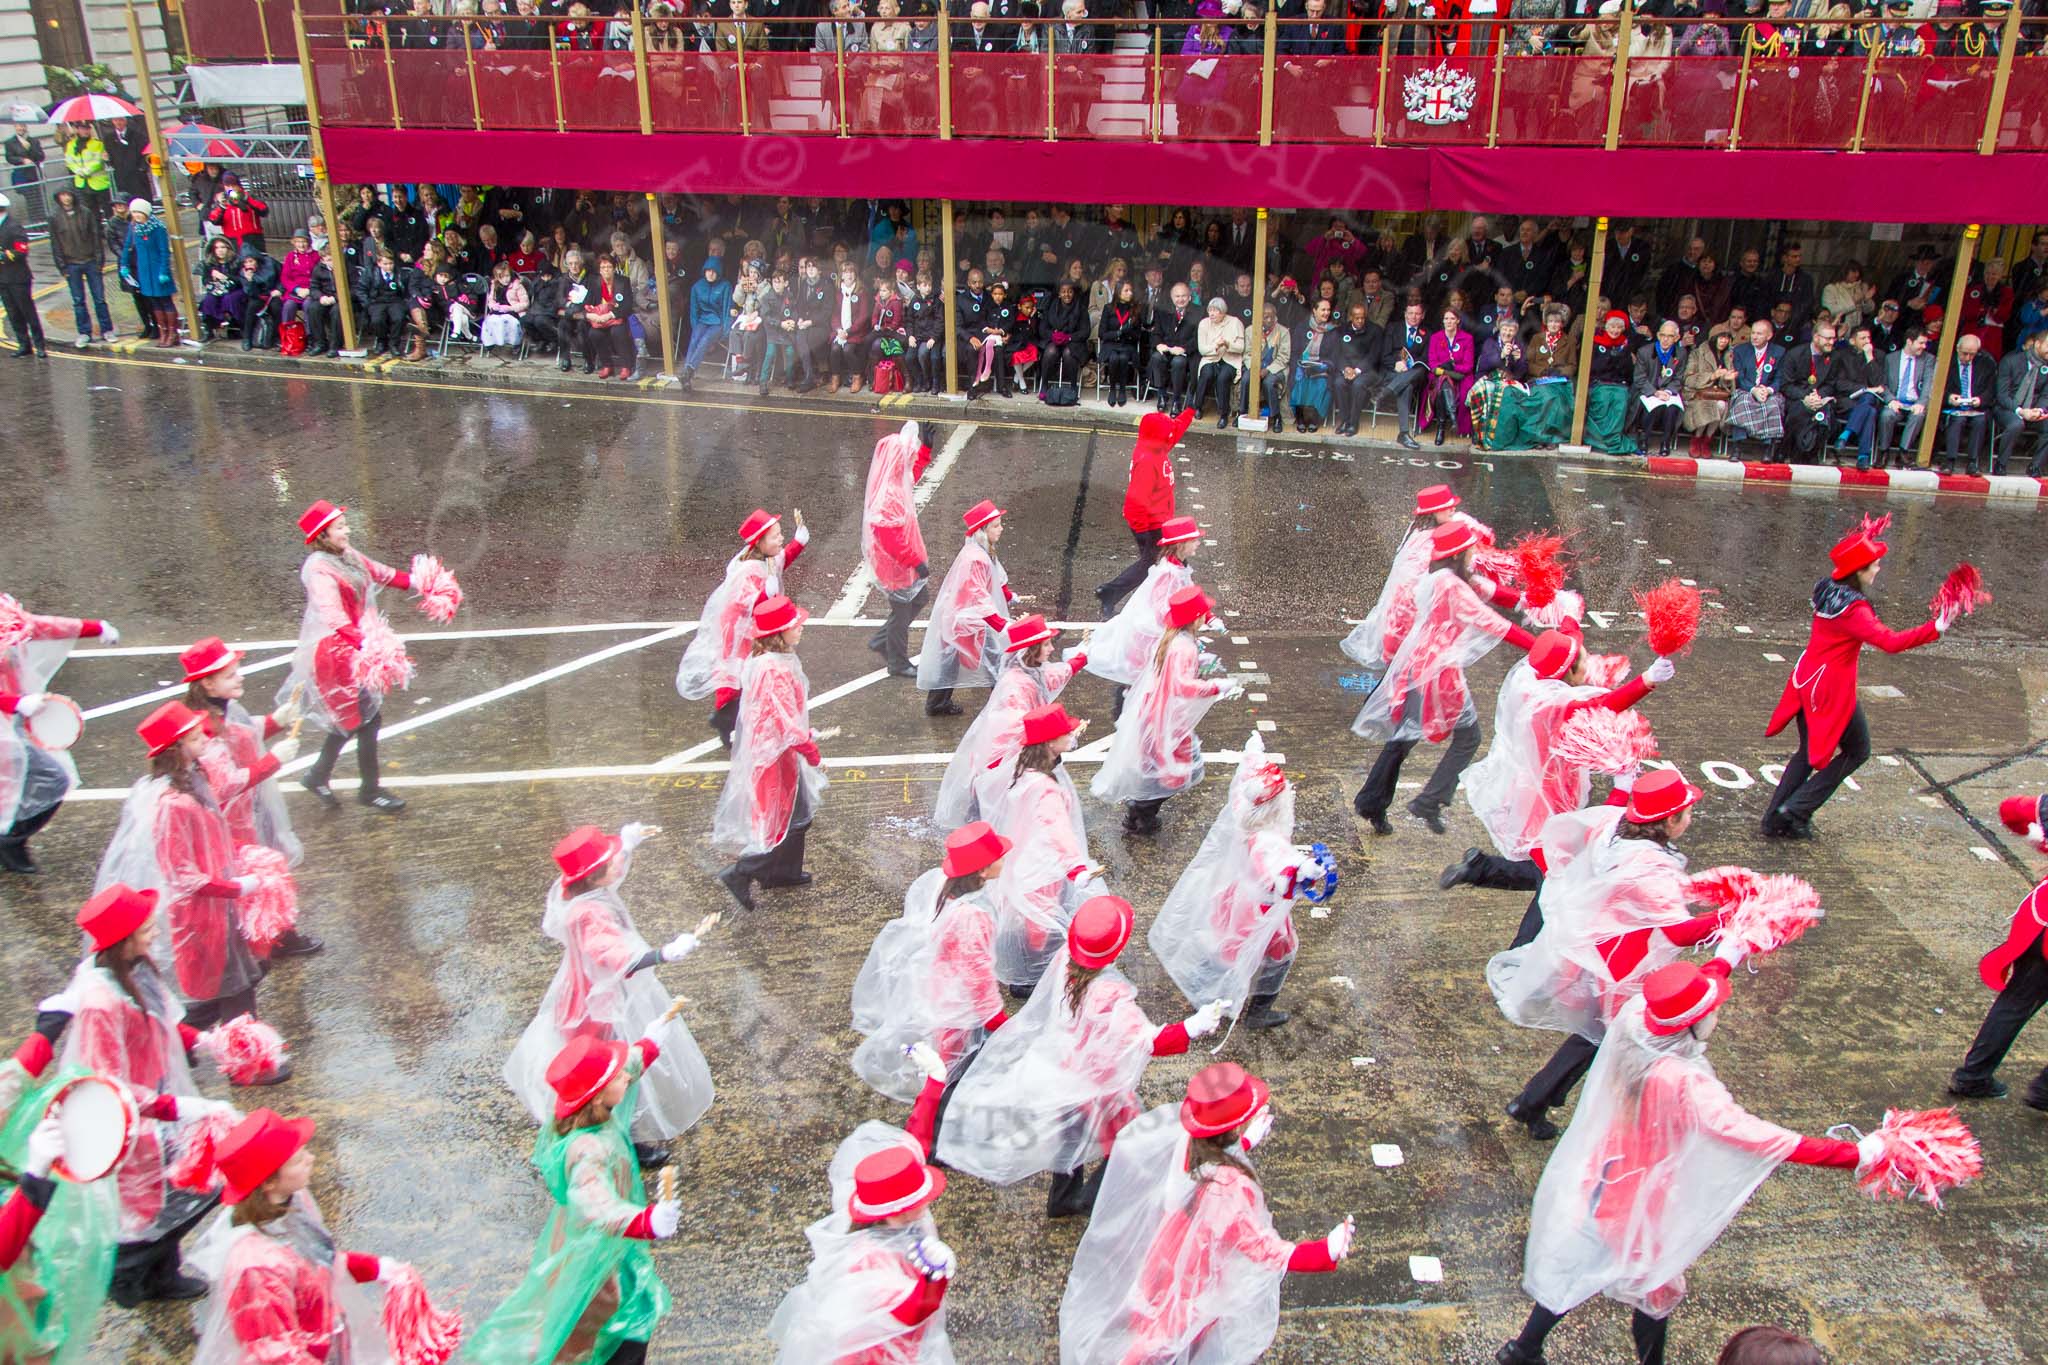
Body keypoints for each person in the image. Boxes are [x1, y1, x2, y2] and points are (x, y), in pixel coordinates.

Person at [1495, 961, 1895, 1365]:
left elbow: (1677, 991)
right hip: (1639, 1196)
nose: (1718, 1017)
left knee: (1584, 1266)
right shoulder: (1683, 1083)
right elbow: (1756, 1136)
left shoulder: (1637, 1021)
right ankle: (1562, 1353)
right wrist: (1857, 1155)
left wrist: (1735, 948)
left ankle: (1523, 1349)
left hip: (1607, 1171)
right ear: (1691, 1025)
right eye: (1712, 1013)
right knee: (1653, 1289)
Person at [936, 895, 1226, 1217]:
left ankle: (1063, 1199)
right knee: (1125, 1141)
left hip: (1063, 1069)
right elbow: (1148, 1041)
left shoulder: (1064, 962)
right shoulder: (1110, 996)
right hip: (1099, 1086)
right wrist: (1194, 1026)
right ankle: (1091, 1199)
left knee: (1071, 1136)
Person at [1057, 1062, 1353, 1362]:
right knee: (1167, 1339)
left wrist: (1246, 1141)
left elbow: (1203, 1171)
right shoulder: (1229, 1187)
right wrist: (1322, 1252)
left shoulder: (1186, 1141)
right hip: (1195, 1272)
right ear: (1234, 1126)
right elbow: (1259, 1247)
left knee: (1156, 1323)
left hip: (1167, 1254)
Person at [456, 1035, 684, 1365]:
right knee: (606, 1334)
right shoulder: (587, 1150)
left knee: (627, 1323)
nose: (627, 1077)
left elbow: (626, 1068)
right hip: (597, 1261)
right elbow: (594, 1206)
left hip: (614, 1251)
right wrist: (646, 1221)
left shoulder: (594, 1110)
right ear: (597, 1096)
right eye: (617, 1076)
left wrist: (650, 1041)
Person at [506, 822, 715, 1169]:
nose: (618, 864)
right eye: (610, 861)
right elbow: (614, 955)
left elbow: (610, 876)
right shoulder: (588, 914)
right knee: (610, 1070)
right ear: (594, 877)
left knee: (612, 1068)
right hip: (597, 1004)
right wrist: (664, 953)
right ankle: (620, 1139)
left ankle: (615, 1129)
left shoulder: (578, 892)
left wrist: (627, 844)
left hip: (594, 993)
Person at [95, 700, 297, 1055]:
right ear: (176, 749)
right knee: (239, 985)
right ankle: (244, 1062)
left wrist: (244, 862)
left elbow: (214, 835)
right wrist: (237, 886)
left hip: (221, 903)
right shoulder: (171, 803)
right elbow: (182, 875)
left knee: (243, 977)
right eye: (193, 736)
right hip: (203, 912)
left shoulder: (197, 777)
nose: (203, 738)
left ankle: (174, 1038)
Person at [63, 883, 232, 1308]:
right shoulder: (100, 1001)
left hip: (157, 1096)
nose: (154, 933)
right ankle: (128, 1280)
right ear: (121, 942)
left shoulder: (137, 969)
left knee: (171, 1190)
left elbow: (165, 1021)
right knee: (141, 1202)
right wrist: (181, 1108)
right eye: (145, 929)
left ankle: (163, 1271)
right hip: (134, 1114)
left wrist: (207, 1042)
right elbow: (108, 1084)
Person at [1762, 517, 1949, 839]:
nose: (1878, 570)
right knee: (1858, 751)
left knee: (1807, 752)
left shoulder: (1827, 589)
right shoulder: (1855, 610)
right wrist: (1936, 627)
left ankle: (1775, 819)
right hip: (1832, 691)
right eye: (1873, 565)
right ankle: (1796, 809)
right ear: (1859, 572)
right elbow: (1890, 642)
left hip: (1806, 679)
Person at [1447, 628, 1669, 898]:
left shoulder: (1530, 678)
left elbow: (1563, 641)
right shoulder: (1553, 704)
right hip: (1546, 804)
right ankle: (1522, 933)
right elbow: (1603, 705)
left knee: (1554, 871)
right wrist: (1648, 680)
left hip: (1533, 791)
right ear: (1568, 672)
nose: (1589, 666)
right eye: (1584, 663)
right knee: (1560, 879)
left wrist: (1565, 610)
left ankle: (1479, 868)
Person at [767, 1057, 957, 1361]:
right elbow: (905, 1316)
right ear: (899, 1210)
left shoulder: (880, 1202)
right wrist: (934, 1280)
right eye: (918, 1198)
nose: (927, 1201)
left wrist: (935, 1081)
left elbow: (915, 1141)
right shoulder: (870, 1262)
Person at [1352, 520, 1533, 837]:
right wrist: (1541, 646)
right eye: (1470, 550)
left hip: (1420, 667)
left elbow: (1488, 592)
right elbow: (1491, 622)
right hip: (1438, 673)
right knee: (1469, 738)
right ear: (1459, 554)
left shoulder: (1441, 577)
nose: (1475, 555)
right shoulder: (1451, 586)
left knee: (1404, 738)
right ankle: (1428, 800)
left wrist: (1524, 601)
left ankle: (1376, 802)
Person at [1149, 733, 1317, 1031]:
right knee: (1280, 955)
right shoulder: (1268, 840)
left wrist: (1254, 754)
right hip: (1260, 912)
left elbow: (1246, 779)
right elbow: (1277, 879)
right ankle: (1257, 1011)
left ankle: (1201, 983)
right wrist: (1304, 870)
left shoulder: (1245, 813)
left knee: (1225, 943)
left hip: (1236, 899)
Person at [181, 637, 320, 958]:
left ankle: (274, 935)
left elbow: (243, 732)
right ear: (208, 683)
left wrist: (276, 721)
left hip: (248, 813)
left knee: (267, 871)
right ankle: (276, 937)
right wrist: (274, 760)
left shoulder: (223, 710)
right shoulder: (204, 728)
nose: (240, 677)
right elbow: (225, 784)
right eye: (230, 675)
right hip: (231, 824)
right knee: (266, 873)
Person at [850, 822, 1011, 1099]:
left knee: (945, 1054)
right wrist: (996, 1017)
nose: (1004, 859)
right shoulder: (972, 917)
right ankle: (936, 1116)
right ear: (983, 871)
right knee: (949, 1067)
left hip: (938, 988)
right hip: (956, 1006)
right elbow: (977, 974)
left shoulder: (943, 885)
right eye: (999, 856)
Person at [280, 500, 416, 814]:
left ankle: (318, 776)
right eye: (340, 527)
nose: (347, 530)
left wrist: (423, 583)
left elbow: (382, 573)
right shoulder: (318, 569)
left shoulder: (347, 556)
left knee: (355, 721)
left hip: (354, 649)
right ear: (322, 535)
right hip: (337, 653)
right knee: (364, 720)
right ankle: (368, 790)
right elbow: (334, 617)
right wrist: (368, 646)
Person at [1093, 586, 1238, 836]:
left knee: (1164, 768)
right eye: (1204, 613)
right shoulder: (1185, 647)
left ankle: (1139, 812)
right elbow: (1181, 685)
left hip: (1159, 716)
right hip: (1168, 720)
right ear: (1195, 619)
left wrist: (1201, 662)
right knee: (1172, 773)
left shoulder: (1174, 640)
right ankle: (1141, 814)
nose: (1207, 616)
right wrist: (1214, 686)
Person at [713, 595, 824, 912]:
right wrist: (810, 750)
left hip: (774, 751)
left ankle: (781, 872)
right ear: (778, 633)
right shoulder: (774, 669)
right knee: (788, 820)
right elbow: (786, 721)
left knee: (795, 816)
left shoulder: (769, 662)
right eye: (795, 625)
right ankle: (743, 872)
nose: (801, 628)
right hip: (774, 756)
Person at [987, 702, 1100, 995]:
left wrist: (1070, 733)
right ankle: (1028, 980)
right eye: (1065, 732)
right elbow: (1058, 831)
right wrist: (1077, 868)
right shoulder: (1046, 789)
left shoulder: (1025, 768)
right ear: (1049, 742)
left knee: (1029, 922)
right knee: (1040, 928)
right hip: (1043, 869)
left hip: (1024, 863)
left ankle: (1023, 975)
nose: (1071, 735)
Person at [933, 616, 1085, 830]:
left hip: (1021, 756)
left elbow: (1054, 676)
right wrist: (1055, 734)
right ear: (1031, 649)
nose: (1052, 649)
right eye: (1047, 644)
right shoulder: (1014, 686)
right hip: (1007, 760)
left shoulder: (1031, 672)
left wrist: (1082, 657)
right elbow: (1014, 728)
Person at [676, 508, 809, 749]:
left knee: (749, 679)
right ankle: (727, 720)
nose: (781, 539)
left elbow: (780, 562)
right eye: (775, 536)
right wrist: (764, 595)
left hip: (754, 630)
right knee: (743, 678)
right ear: (760, 542)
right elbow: (742, 604)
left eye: (781, 534)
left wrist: (798, 543)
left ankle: (736, 720)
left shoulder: (765, 559)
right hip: (743, 633)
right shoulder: (748, 570)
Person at [0, 590, 112, 873]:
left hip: (10, 721)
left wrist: (94, 627)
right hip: (9, 720)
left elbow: (40, 627)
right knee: (53, 778)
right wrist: (16, 703)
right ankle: (9, 840)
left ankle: (10, 836)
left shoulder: (6, 615)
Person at [1950, 793, 2048, 1101]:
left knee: (2016, 1001)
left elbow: (2012, 810)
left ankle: (1972, 1076)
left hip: (2039, 918)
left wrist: (2037, 836)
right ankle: (2044, 1091)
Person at [916, 500, 1013, 718]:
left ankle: (938, 703)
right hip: (969, 618)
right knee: (994, 657)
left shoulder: (979, 550)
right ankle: (1004, 702)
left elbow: (995, 577)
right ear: (983, 529)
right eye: (996, 525)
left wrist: (1007, 595)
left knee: (951, 659)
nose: (1001, 528)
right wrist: (997, 622)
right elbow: (978, 592)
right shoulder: (976, 557)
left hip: (965, 617)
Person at [1096, 409, 1194, 616]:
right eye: (1166, 431)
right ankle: (1114, 593)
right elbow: (1136, 500)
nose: (1170, 435)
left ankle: (1113, 593)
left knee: (1159, 564)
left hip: (1159, 521)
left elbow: (1174, 431)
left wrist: (1189, 411)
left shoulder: (1156, 447)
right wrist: (1142, 532)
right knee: (1160, 564)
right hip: (1151, 524)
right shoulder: (1148, 461)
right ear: (1158, 435)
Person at [47, 186, 113, 347]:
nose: (66, 198)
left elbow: (96, 237)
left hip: (90, 261)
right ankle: (84, 332)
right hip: (71, 264)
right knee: (78, 301)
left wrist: (99, 261)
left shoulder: (86, 213)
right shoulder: (54, 217)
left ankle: (107, 330)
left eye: (68, 195)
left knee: (99, 299)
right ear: (58, 197)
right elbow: (55, 244)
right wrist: (62, 267)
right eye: (63, 195)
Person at [119, 199, 180, 349]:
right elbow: (128, 247)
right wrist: (124, 265)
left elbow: (164, 251)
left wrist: (164, 271)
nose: (137, 215)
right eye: (134, 212)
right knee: (153, 301)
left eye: (139, 212)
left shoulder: (158, 228)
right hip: (144, 272)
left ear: (146, 212)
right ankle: (163, 332)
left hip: (158, 270)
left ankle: (173, 334)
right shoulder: (134, 228)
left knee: (165, 301)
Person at [1937, 332, 1997, 474]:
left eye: (1972, 354)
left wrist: (1981, 399)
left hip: (1975, 406)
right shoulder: (1947, 362)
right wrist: (1949, 397)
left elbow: (1991, 390)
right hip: (1954, 407)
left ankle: (1972, 462)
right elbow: (1937, 387)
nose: (1968, 358)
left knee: (1980, 421)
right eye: (1965, 354)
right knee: (1957, 420)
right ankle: (1950, 461)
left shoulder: (1986, 364)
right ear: (1957, 349)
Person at [1993, 327, 2048, 476]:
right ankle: (2001, 464)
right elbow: (2002, 395)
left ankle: (2035, 466)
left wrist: (2040, 410)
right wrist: (2020, 411)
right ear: (2038, 344)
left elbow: (2046, 395)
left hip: (2033, 410)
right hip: (2008, 409)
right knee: (2016, 423)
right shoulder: (2011, 361)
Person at [1632, 319, 1689, 457]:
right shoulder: (1644, 351)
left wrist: (1668, 391)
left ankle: (1665, 443)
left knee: (1672, 409)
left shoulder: (1681, 353)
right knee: (1651, 407)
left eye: (1670, 336)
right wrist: (1655, 392)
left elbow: (1679, 378)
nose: (1665, 339)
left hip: (1668, 392)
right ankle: (1644, 440)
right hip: (1648, 390)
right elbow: (1639, 378)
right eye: (1663, 335)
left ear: (1676, 338)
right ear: (1658, 335)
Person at [1726, 318, 1786, 449]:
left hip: (1768, 391)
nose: (1754, 337)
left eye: (1759, 334)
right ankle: (1737, 447)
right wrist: (1753, 390)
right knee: (1742, 402)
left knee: (1772, 405)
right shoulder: (1740, 350)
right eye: (1753, 333)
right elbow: (1739, 376)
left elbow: (1780, 378)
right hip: (1746, 389)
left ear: (1769, 336)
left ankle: (1767, 449)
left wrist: (1768, 390)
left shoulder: (1779, 352)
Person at [0, 193, 46, 358]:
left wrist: (4, 256)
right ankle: (24, 344)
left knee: (27, 312)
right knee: (13, 313)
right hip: (3, 279)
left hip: (18, 278)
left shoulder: (13, 226)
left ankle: (40, 345)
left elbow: (22, 250)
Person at [1422, 307, 1476, 446]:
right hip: (1439, 375)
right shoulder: (1435, 337)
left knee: (1450, 388)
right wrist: (1446, 370)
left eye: (1452, 318)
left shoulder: (1467, 338)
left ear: (1458, 320)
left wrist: (1451, 366)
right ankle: (1450, 420)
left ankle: (1444, 425)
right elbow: (1433, 363)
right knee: (1442, 383)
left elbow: (1468, 365)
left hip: (1462, 376)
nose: (1449, 321)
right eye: (1446, 318)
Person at [1682, 327, 1739, 456]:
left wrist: (1727, 379)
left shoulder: (1729, 356)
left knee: (1721, 405)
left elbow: (1728, 387)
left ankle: (1706, 440)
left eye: (1726, 338)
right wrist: (1712, 376)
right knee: (1711, 405)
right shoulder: (1697, 353)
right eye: (1721, 337)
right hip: (1697, 395)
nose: (1724, 341)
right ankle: (1697, 438)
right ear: (1713, 338)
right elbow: (1688, 379)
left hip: (1719, 395)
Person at [1191, 296, 1244, 428]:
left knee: (1223, 378)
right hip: (1211, 357)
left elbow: (1241, 347)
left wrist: (1227, 344)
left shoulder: (1235, 322)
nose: (1212, 314)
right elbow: (1202, 349)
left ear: (1223, 312)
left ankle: (1223, 414)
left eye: (1216, 311)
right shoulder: (1204, 323)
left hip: (1230, 359)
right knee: (1206, 373)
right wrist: (1215, 347)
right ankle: (1198, 406)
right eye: (1210, 310)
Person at [1149, 283, 1201, 416]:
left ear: (1190, 297)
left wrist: (1183, 349)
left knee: (1178, 363)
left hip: (1184, 352)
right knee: (1156, 357)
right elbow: (1156, 333)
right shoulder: (1163, 311)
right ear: (1172, 298)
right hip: (1167, 348)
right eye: (1177, 296)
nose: (1181, 299)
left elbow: (1198, 338)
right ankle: (1162, 395)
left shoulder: (1198, 312)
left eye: (1184, 296)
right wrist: (1158, 345)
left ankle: (1176, 401)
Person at [679, 259, 730, 390]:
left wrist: (725, 329)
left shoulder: (725, 286)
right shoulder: (697, 287)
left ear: (718, 272)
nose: (711, 274)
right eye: (708, 271)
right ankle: (687, 376)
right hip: (702, 321)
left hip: (717, 322)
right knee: (695, 339)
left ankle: (689, 370)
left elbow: (726, 309)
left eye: (714, 271)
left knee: (705, 339)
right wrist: (695, 326)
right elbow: (694, 310)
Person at [60, 125, 109, 221]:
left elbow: (99, 160)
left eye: (87, 129)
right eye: (82, 129)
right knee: (90, 212)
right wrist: (77, 170)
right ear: (77, 130)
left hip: (99, 183)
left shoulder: (97, 144)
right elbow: (69, 161)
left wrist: (88, 170)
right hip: (82, 183)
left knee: (107, 210)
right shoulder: (71, 145)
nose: (85, 131)